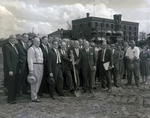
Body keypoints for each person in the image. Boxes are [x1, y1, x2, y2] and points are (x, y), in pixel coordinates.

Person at [27, 36, 43, 102]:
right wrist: (31, 69)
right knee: (34, 81)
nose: (37, 43)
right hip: (35, 65)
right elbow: (30, 59)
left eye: (39, 41)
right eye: (36, 41)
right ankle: (33, 97)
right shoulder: (31, 49)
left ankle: (35, 94)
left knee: (39, 80)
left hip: (41, 65)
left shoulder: (40, 49)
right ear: (33, 42)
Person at [5, 34, 20, 104]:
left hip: (16, 69)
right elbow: (7, 59)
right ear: (9, 39)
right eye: (13, 39)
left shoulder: (15, 46)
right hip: (11, 70)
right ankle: (10, 99)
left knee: (15, 84)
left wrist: (18, 68)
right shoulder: (7, 47)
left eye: (15, 39)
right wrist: (10, 70)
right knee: (11, 85)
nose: (14, 40)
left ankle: (13, 98)